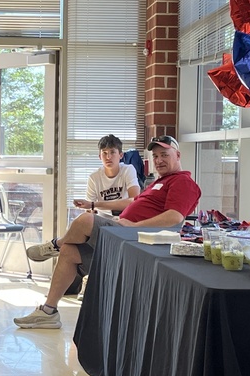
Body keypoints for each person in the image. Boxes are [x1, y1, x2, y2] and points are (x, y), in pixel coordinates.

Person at [14, 135, 201, 330]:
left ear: (178, 155)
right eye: (155, 156)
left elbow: (174, 217)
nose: (159, 160)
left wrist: (133, 226)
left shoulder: (183, 182)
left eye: (164, 154)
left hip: (136, 239)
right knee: (69, 252)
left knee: (86, 220)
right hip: (124, 233)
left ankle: (55, 245)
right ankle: (48, 312)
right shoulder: (158, 183)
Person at [72, 134, 140, 216]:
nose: (108, 157)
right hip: (103, 218)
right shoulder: (94, 177)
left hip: (125, 216)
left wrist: (94, 205)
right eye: (104, 153)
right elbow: (90, 209)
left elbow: (134, 201)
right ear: (100, 156)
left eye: (112, 152)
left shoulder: (128, 170)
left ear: (121, 155)